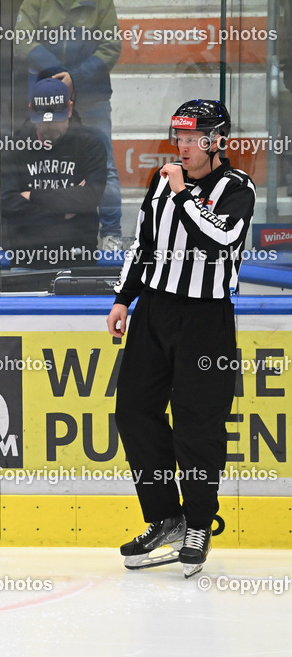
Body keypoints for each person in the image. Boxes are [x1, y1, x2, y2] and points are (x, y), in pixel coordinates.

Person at [108, 100, 255, 578]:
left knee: (198, 424)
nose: (184, 147)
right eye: (181, 138)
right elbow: (144, 245)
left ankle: (198, 524)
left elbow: (221, 240)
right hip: (154, 311)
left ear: (217, 141)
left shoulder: (237, 188)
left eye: (194, 139)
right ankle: (165, 517)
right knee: (133, 412)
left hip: (205, 319)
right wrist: (123, 299)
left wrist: (183, 195)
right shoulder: (162, 180)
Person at [15, 0, 123, 249]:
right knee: (40, 159)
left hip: (91, 95)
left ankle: (112, 234)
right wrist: (62, 75)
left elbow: (111, 46)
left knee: (105, 163)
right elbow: (22, 39)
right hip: (48, 95)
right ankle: (39, 229)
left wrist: (75, 77)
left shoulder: (101, 2)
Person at [0, 77, 106, 268]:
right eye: (43, 121)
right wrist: (61, 211)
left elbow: (90, 197)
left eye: (56, 120)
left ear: (70, 109)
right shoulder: (15, 147)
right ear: (31, 110)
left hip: (77, 256)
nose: (50, 126)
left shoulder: (90, 145)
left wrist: (32, 195)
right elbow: (8, 204)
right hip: (28, 258)